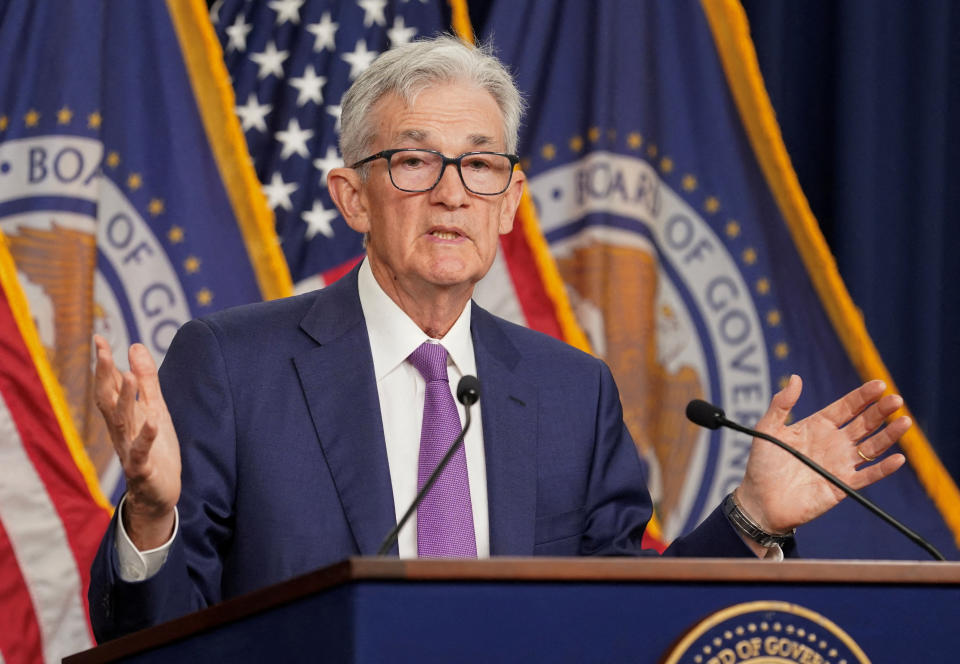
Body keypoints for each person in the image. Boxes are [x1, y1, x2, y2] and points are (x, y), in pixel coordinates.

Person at [88, 36, 909, 642]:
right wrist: (153, 518)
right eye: (413, 162)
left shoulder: (569, 391)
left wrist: (752, 517)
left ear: (512, 200)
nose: (452, 193)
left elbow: (626, 622)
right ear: (352, 197)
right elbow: (147, 636)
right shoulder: (234, 367)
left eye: (480, 167)